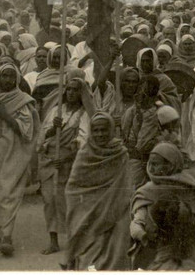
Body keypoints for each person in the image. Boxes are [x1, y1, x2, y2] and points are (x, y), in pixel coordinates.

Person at [0, 62, 40, 256]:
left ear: (17, 79)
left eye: (11, 76)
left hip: (13, 153)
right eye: (3, 76)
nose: (7, 80)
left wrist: (4, 115)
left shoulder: (23, 101)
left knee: (6, 192)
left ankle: (7, 236)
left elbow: (26, 130)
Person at [130, 143, 195, 269]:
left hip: (187, 248)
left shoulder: (188, 186)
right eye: (150, 163)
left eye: (156, 164)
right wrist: (142, 234)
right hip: (155, 251)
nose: (151, 168)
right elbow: (138, 219)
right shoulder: (146, 192)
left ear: (170, 165)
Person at [64, 112, 131, 270]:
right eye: (96, 130)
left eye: (104, 130)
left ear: (112, 130)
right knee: (88, 256)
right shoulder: (84, 154)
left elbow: (125, 186)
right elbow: (72, 188)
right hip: (87, 213)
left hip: (115, 211)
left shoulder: (120, 153)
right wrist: (85, 207)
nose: (100, 134)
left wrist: (111, 207)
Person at [38, 70, 92, 255]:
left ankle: (75, 239)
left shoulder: (83, 115)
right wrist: (54, 128)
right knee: (49, 200)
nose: (71, 93)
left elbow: (84, 139)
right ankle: (53, 240)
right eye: (68, 89)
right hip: (50, 160)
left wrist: (68, 157)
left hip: (71, 161)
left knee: (70, 201)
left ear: (82, 93)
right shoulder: (56, 111)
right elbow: (43, 136)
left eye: (75, 90)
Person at [123, 75, 165, 188]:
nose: (145, 93)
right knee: (136, 187)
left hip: (155, 155)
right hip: (136, 157)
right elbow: (125, 134)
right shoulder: (132, 111)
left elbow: (169, 132)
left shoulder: (162, 110)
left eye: (150, 89)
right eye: (143, 88)